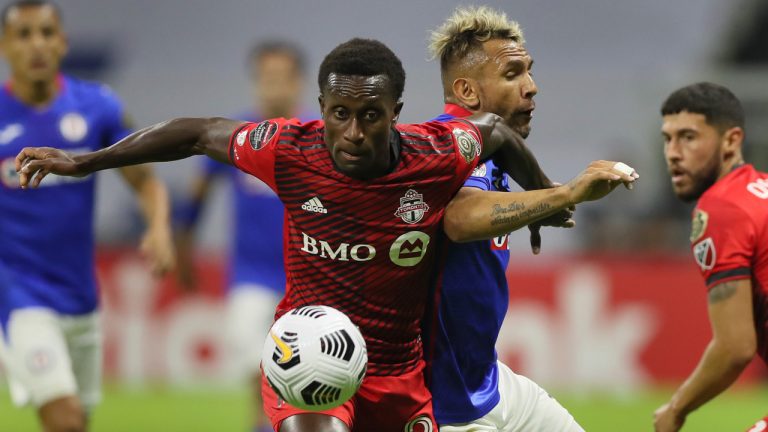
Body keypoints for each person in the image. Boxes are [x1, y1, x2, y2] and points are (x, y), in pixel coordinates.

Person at [16, 37, 637, 432]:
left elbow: (498, 132)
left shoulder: (437, 151)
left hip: (400, 375)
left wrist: (545, 199)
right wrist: (86, 162)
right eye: (339, 113)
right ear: (321, 106)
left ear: (396, 112)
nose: (353, 131)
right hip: (308, 354)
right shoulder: (287, 147)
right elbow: (194, 132)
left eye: (371, 115)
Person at [0, 1, 175, 432]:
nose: (36, 44)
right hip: (18, 296)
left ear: (63, 42)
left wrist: (158, 227)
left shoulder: (98, 107)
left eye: (46, 32)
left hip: (81, 297)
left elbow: (146, 181)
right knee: (66, 422)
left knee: (79, 419)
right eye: (24, 35)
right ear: (5, 45)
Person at [422, 6, 584, 431]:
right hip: (446, 403)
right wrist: (559, 196)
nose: (532, 88)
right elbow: (459, 218)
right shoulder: (450, 146)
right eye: (513, 74)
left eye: (529, 71)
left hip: (489, 382)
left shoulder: (490, 153)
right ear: (468, 92)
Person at [174, 40, 311, 432]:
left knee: (304, 373)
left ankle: (269, 424)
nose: (275, 86)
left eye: (283, 78)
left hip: (307, 277)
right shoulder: (235, 136)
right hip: (251, 275)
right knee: (259, 365)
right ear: (256, 81)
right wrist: (183, 248)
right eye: (267, 77)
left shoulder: (317, 138)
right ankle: (267, 422)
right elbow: (196, 196)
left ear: (298, 82)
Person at [653, 82, 767, 432]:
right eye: (667, 139)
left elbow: (735, 347)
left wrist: (676, 408)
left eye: (688, 137)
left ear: (731, 141)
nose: (673, 152)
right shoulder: (759, 191)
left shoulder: (722, 209)